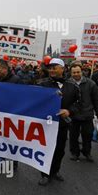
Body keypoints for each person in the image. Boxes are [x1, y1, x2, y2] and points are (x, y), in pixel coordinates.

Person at [37, 58, 80, 186]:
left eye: (55, 67)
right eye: (50, 68)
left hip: (62, 124)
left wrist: (69, 111)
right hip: (46, 124)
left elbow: (79, 103)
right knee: (46, 149)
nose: (52, 70)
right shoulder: (42, 84)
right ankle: (45, 174)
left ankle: (55, 171)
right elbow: (35, 101)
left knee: (60, 150)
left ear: (63, 69)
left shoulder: (73, 85)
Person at [68, 64, 98, 162]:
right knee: (73, 136)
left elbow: (97, 100)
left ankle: (87, 152)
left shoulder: (91, 84)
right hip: (72, 115)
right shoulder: (67, 83)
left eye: (78, 72)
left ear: (82, 72)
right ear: (71, 73)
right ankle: (75, 153)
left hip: (87, 114)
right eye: (74, 72)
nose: (76, 74)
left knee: (87, 135)